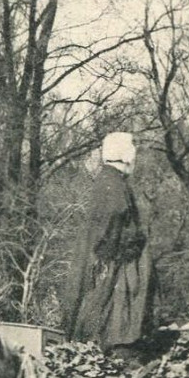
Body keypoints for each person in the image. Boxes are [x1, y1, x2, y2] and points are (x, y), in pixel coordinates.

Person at [61, 132, 155, 359]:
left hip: (115, 269)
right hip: (115, 273)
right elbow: (108, 229)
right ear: (126, 155)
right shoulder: (111, 184)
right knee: (116, 326)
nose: (135, 154)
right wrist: (127, 246)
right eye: (132, 148)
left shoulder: (111, 182)